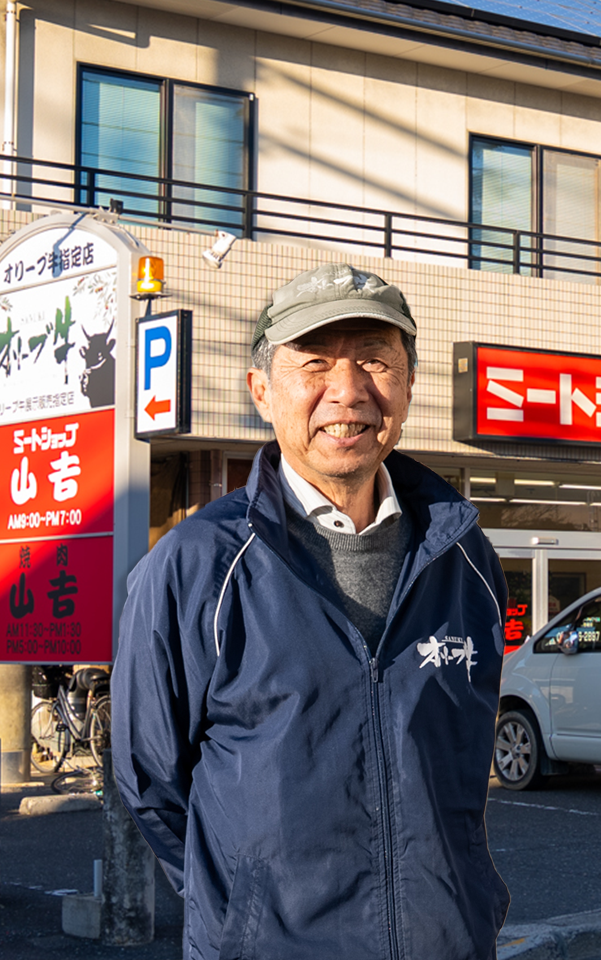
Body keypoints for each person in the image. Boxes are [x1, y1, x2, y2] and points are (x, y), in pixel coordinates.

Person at [113, 264, 510, 960]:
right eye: (315, 363)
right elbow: (150, 781)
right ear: (262, 390)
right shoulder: (199, 563)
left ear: (409, 386)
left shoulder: (464, 554)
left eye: (377, 361)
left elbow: (460, 764)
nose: (349, 392)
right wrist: (240, 908)